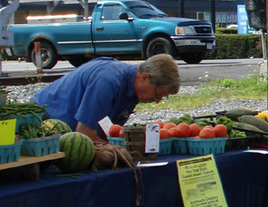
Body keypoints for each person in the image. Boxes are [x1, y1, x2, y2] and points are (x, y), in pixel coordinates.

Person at [33, 54, 180, 142]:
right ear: (144, 77)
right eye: (157, 95)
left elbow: (106, 132)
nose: (157, 101)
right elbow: (85, 134)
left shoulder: (133, 89)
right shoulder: (107, 81)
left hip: (67, 132)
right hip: (42, 124)